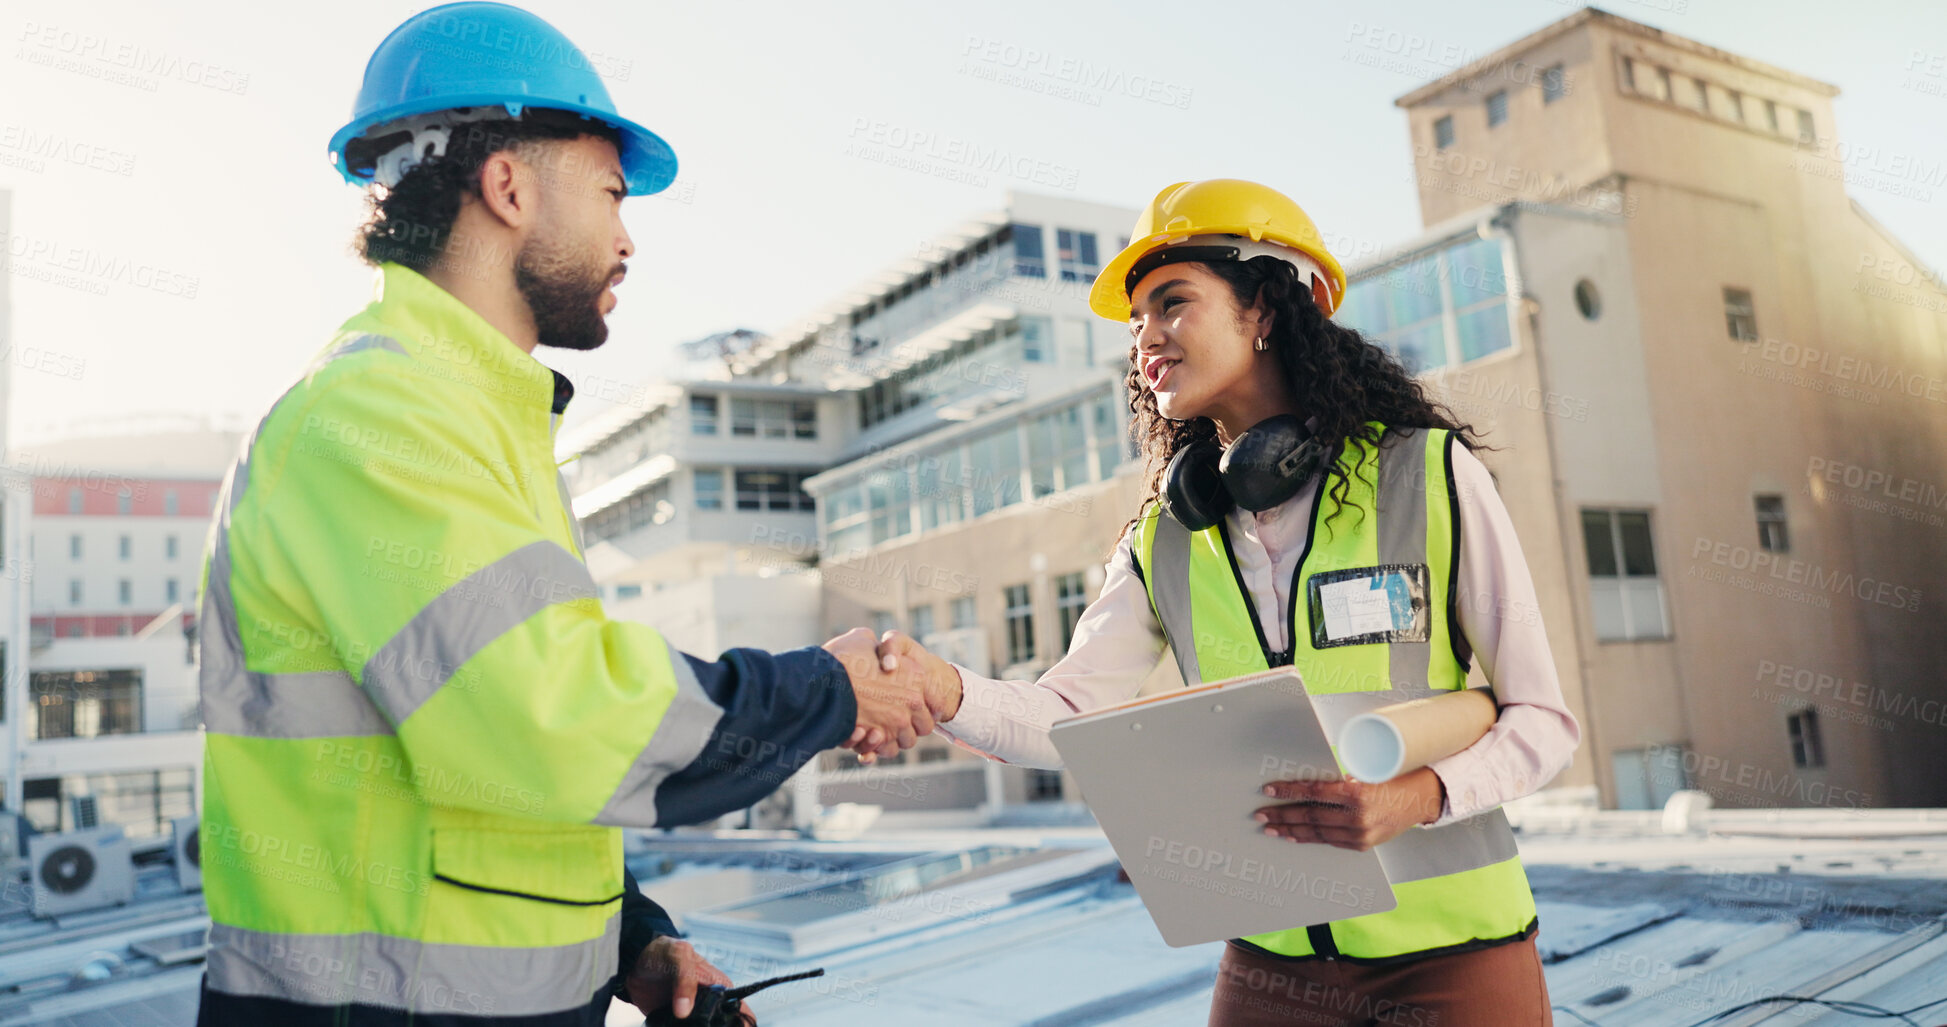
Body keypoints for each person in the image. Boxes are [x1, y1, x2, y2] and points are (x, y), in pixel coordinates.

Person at [196, 5, 930, 1025]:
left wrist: (632, 942)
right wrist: (830, 692)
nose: (627, 240)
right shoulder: (375, 417)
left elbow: (480, 770)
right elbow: (544, 719)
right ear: (507, 187)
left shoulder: (470, 416)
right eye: (611, 194)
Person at [875, 179, 1581, 1026]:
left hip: (1452, 957)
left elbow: (1542, 722)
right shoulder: (1162, 542)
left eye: (1171, 302)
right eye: (1135, 319)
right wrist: (938, 687)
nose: (1145, 337)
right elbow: (1062, 713)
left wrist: (1413, 798)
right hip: (1270, 963)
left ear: (1264, 310)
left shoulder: (1424, 475)